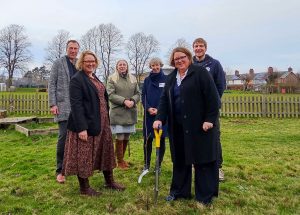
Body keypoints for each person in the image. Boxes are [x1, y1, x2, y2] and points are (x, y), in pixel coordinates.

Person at [153, 47, 220, 205]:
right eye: (176, 59)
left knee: (202, 160)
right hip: (178, 127)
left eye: (182, 57)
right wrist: (159, 118)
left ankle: (204, 196)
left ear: (189, 58)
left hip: (200, 126)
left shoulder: (200, 73)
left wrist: (210, 119)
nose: (179, 61)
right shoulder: (171, 78)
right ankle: (179, 192)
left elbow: (213, 97)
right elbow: (163, 101)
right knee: (180, 160)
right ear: (173, 62)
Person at [63, 50, 125, 196]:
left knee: (106, 151)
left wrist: (107, 120)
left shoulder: (94, 77)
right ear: (81, 63)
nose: (90, 64)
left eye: (93, 61)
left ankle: (109, 181)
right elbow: (76, 105)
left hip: (102, 123)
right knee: (84, 156)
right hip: (86, 124)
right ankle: (84, 188)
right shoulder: (77, 79)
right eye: (87, 62)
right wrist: (82, 128)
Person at [192, 38, 226, 181]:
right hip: (193, 109)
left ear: (205, 48)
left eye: (201, 46)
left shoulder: (214, 64)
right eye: (196, 46)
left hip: (210, 110)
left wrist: (213, 103)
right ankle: (196, 165)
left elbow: (220, 85)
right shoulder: (189, 63)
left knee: (213, 138)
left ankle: (217, 168)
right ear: (193, 48)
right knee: (194, 137)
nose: (198, 48)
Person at [48, 40, 79, 183]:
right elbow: (51, 84)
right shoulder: (58, 63)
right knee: (63, 137)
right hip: (63, 106)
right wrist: (53, 104)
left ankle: (74, 166)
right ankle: (60, 170)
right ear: (67, 49)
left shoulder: (79, 64)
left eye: (75, 48)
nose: (73, 51)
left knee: (78, 138)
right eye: (71, 48)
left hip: (78, 107)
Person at [107, 60, 140, 169]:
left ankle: (122, 159)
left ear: (127, 66)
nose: (122, 66)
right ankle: (119, 161)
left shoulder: (133, 78)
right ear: (117, 66)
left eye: (124, 64)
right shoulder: (112, 78)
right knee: (120, 135)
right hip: (118, 112)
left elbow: (138, 93)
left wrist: (133, 101)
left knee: (127, 135)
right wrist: (124, 101)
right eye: (120, 64)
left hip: (130, 111)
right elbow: (111, 95)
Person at [141, 57, 167, 171]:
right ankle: (146, 165)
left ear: (160, 65)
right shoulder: (147, 80)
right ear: (150, 67)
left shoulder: (166, 79)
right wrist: (147, 108)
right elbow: (143, 96)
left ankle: (158, 165)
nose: (155, 67)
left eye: (157, 65)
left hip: (161, 115)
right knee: (148, 140)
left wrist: (160, 110)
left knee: (160, 140)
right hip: (149, 115)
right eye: (153, 65)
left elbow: (167, 97)